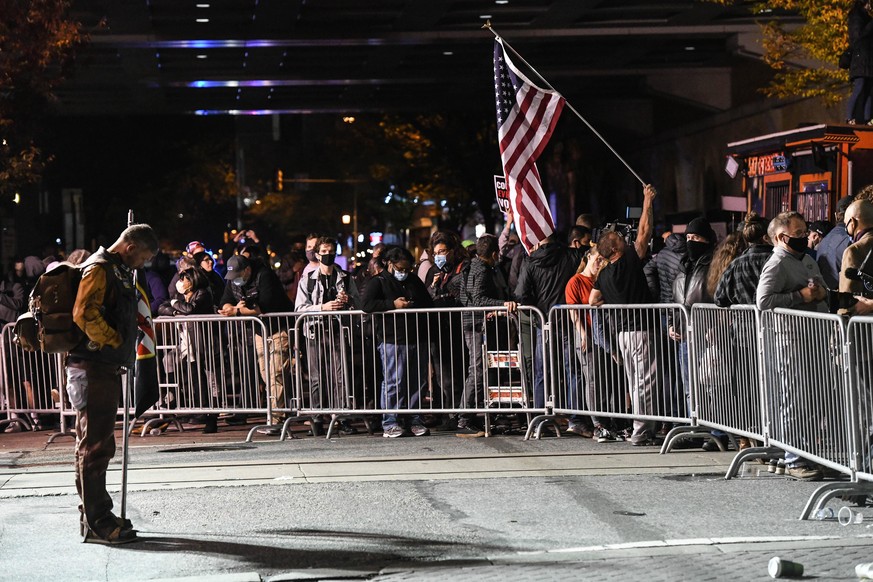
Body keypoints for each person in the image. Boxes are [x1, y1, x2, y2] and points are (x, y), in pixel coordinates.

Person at [68, 223, 158, 544]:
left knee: (97, 445)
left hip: (99, 368)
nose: (142, 265)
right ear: (131, 247)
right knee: (94, 447)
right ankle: (98, 523)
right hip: (91, 368)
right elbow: (84, 313)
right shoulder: (100, 268)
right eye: (143, 258)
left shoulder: (113, 269)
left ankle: (96, 515)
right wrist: (114, 338)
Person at [756, 211, 827, 481]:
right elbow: (763, 301)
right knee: (794, 400)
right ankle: (793, 458)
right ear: (781, 237)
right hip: (791, 342)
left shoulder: (806, 259)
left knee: (811, 401)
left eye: (805, 231)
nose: (804, 237)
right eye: (798, 234)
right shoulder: (777, 263)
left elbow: (819, 288)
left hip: (813, 339)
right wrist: (800, 296)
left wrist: (821, 293)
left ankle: (805, 453)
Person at [589, 184, 658, 446]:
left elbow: (592, 300)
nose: (625, 240)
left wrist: (611, 297)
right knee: (645, 383)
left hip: (621, 334)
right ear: (615, 249)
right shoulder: (628, 262)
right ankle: (641, 432)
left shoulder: (604, 275)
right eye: (620, 240)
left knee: (634, 381)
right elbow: (644, 232)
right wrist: (647, 201)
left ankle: (640, 427)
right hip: (640, 329)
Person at [361, 246, 433, 438]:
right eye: (401, 269)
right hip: (393, 339)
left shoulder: (413, 280)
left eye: (407, 269)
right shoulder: (378, 281)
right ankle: (390, 421)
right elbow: (366, 305)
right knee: (394, 381)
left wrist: (411, 304)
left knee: (417, 382)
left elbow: (428, 303)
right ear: (390, 264)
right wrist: (392, 305)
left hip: (417, 337)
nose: (404, 273)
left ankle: (414, 419)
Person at [515, 227, 586, 420]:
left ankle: (541, 417)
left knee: (542, 373)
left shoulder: (530, 260)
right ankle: (576, 418)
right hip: (568, 321)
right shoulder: (571, 255)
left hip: (543, 321)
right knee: (573, 370)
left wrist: (535, 309)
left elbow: (521, 294)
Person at [218, 254, 293, 434]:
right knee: (266, 374)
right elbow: (224, 303)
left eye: (237, 275)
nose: (234, 280)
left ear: (247, 270)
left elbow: (262, 306)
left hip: (279, 329)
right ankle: (277, 413)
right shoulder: (234, 281)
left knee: (276, 373)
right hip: (260, 332)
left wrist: (237, 311)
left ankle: (276, 419)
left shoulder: (265, 276)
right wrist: (236, 308)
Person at [295, 236, 361, 435]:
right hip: (315, 332)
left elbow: (358, 305)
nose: (328, 255)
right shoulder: (307, 279)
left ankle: (341, 417)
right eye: (323, 252)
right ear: (317, 254)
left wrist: (348, 301)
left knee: (340, 376)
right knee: (316, 377)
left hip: (339, 331)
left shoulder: (346, 278)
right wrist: (322, 308)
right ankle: (317, 418)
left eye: (331, 251)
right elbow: (299, 308)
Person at [458, 234, 516, 437]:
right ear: (493, 253)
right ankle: (465, 416)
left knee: (480, 368)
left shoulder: (473, 266)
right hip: (476, 324)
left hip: (475, 323)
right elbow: (478, 299)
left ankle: (472, 415)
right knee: (477, 369)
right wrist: (501, 304)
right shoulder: (481, 269)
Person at [565, 247, 624, 442]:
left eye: (603, 260)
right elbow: (574, 312)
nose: (599, 262)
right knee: (593, 381)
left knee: (607, 380)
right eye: (597, 258)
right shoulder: (576, 281)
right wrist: (583, 335)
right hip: (587, 337)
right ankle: (597, 423)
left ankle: (610, 421)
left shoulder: (600, 279)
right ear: (588, 257)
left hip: (604, 337)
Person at [158, 265, 218, 433]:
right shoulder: (180, 296)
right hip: (188, 347)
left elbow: (190, 309)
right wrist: (177, 312)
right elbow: (162, 307)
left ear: (192, 281)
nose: (180, 282)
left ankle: (211, 418)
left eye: (184, 279)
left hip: (203, 346)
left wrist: (176, 305)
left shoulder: (203, 294)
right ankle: (202, 413)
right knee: (196, 382)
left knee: (207, 382)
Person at [423, 231, 467, 421]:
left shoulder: (462, 268)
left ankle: (457, 412)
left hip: (457, 329)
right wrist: (433, 287)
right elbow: (425, 298)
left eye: (443, 251)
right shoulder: (433, 271)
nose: (439, 256)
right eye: (436, 252)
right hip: (437, 330)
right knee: (442, 376)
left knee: (458, 373)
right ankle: (445, 413)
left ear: (452, 251)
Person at [715, 213, 773, 307]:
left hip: (743, 320)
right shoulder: (776, 259)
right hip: (772, 320)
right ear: (766, 237)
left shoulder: (735, 264)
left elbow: (719, 298)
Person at [840, 198, 873, 314]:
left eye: (846, 224)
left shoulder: (854, 251)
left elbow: (847, 295)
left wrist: (840, 326)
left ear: (852, 223)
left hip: (862, 326)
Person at [817, 197, 855, 290]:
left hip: (826, 297)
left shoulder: (823, 241)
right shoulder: (852, 241)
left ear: (835, 215)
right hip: (848, 298)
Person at [847, 0, 873, 125]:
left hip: (867, 59)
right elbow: (858, 38)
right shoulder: (856, 17)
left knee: (868, 90)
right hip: (860, 59)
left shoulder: (865, 17)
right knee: (860, 86)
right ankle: (849, 117)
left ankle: (869, 119)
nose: (870, 5)